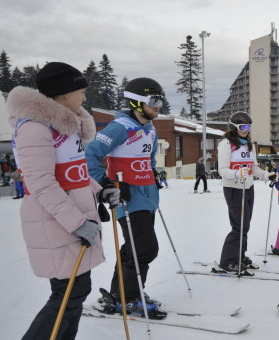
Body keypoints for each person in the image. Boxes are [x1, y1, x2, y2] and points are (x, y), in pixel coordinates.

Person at [7, 62, 118, 339]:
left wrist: (100, 190)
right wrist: (78, 223)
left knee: (76, 292)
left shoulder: (65, 128)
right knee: (67, 294)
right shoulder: (34, 128)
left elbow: (74, 173)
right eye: (80, 91)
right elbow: (42, 184)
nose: (84, 97)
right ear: (62, 93)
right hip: (54, 222)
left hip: (71, 218)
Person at [85, 77, 166, 319]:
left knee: (133, 248)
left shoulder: (150, 129)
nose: (159, 105)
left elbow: (149, 159)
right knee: (145, 249)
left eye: (161, 99)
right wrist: (107, 184)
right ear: (138, 103)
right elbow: (91, 154)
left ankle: (120, 293)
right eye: (154, 100)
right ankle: (129, 298)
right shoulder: (120, 127)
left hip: (147, 195)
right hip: (127, 196)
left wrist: (152, 175)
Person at [216, 111, 275, 273]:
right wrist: (236, 173)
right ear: (234, 126)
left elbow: (253, 167)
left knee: (245, 226)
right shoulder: (226, 145)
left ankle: (240, 256)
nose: (246, 129)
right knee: (238, 226)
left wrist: (265, 175)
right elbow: (222, 170)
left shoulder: (249, 144)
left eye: (248, 126)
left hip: (248, 188)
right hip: (234, 189)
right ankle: (228, 261)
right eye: (242, 126)